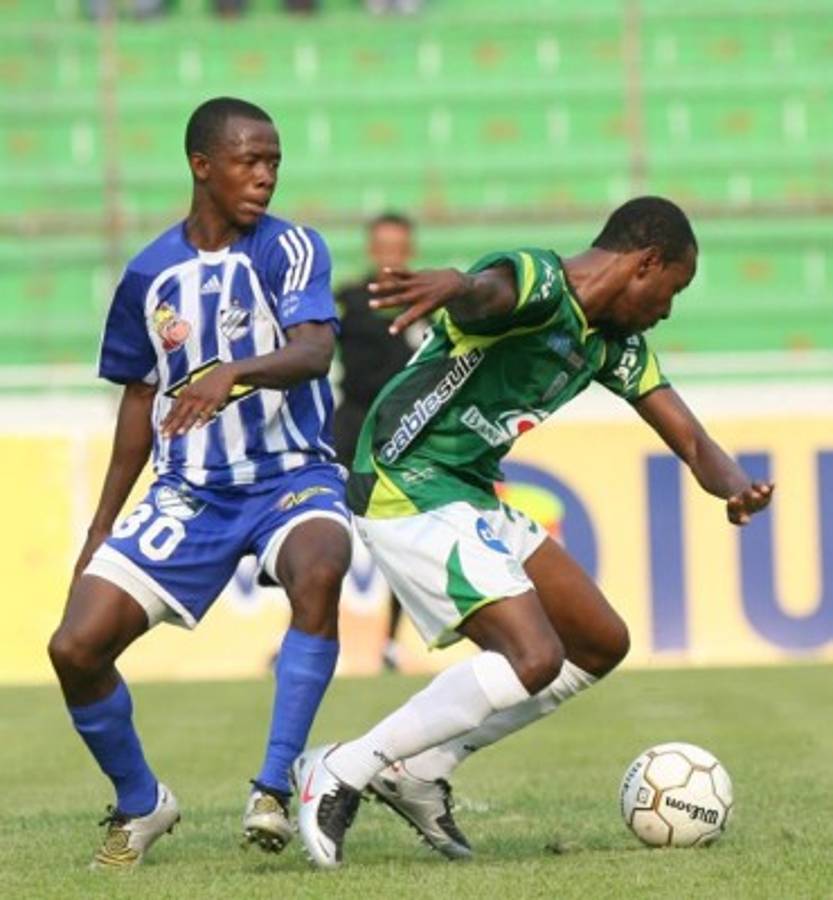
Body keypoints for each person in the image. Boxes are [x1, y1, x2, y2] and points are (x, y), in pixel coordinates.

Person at [290, 196, 775, 867]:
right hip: (406, 479)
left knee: (598, 641)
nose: (668, 307)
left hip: (466, 490)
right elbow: (489, 295)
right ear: (647, 263)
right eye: (673, 288)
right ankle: (340, 768)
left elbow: (689, 437)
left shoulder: (613, 343)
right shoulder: (542, 283)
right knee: (532, 656)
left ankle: (419, 769)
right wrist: (456, 286)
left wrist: (733, 485)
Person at [47, 97, 352, 869]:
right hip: (192, 490)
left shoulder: (291, 250)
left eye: (274, 162)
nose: (265, 177)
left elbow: (314, 351)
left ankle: (276, 786)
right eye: (250, 161)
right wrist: (99, 528)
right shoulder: (149, 273)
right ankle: (140, 803)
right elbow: (139, 399)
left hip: (290, 475)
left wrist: (232, 373)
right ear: (201, 166)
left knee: (320, 562)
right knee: (75, 647)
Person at [334, 212, 418, 671]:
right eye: (383, 245)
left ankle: (391, 642)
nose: (390, 254)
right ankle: (303, 637)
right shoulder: (347, 300)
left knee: (401, 540)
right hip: (349, 426)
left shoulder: (427, 303)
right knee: (321, 534)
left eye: (398, 246)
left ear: (409, 250)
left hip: (402, 432)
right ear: (372, 249)